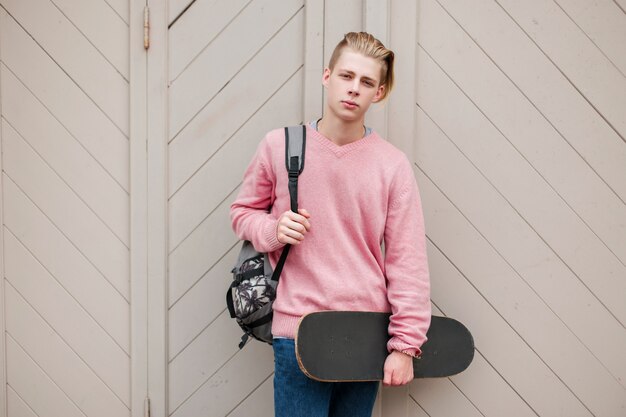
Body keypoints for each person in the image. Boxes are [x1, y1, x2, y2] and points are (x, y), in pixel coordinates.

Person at [230, 32, 431, 417]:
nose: (354, 89)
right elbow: (242, 213)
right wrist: (273, 231)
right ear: (327, 76)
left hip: (366, 334)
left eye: (367, 82)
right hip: (298, 332)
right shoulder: (279, 145)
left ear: (380, 92)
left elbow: (408, 262)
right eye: (346, 76)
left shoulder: (392, 165)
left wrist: (405, 346)